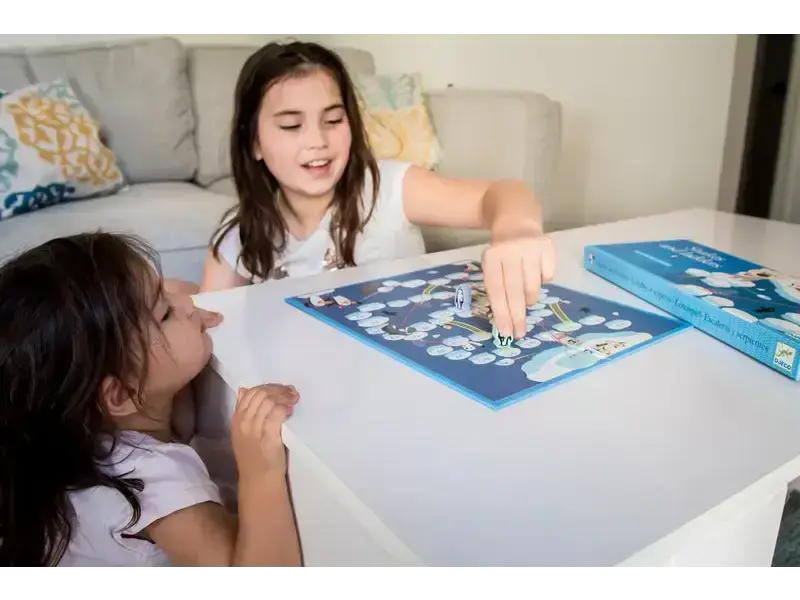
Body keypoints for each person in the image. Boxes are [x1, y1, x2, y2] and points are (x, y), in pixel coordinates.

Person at [201, 40, 557, 341]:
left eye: (333, 120)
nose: (318, 141)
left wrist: (517, 231)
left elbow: (504, 193)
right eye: (292, 125)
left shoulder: (387, 188)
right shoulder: (237, 234)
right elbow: (208, 329)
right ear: (254, 143)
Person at [0, 232, 303, 568]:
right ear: (122, 394)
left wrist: (176, 323)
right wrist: (259, 473)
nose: (188, 305)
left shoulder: (74, 438)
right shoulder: (151, 477)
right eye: (165, 314)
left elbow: (179, 296)